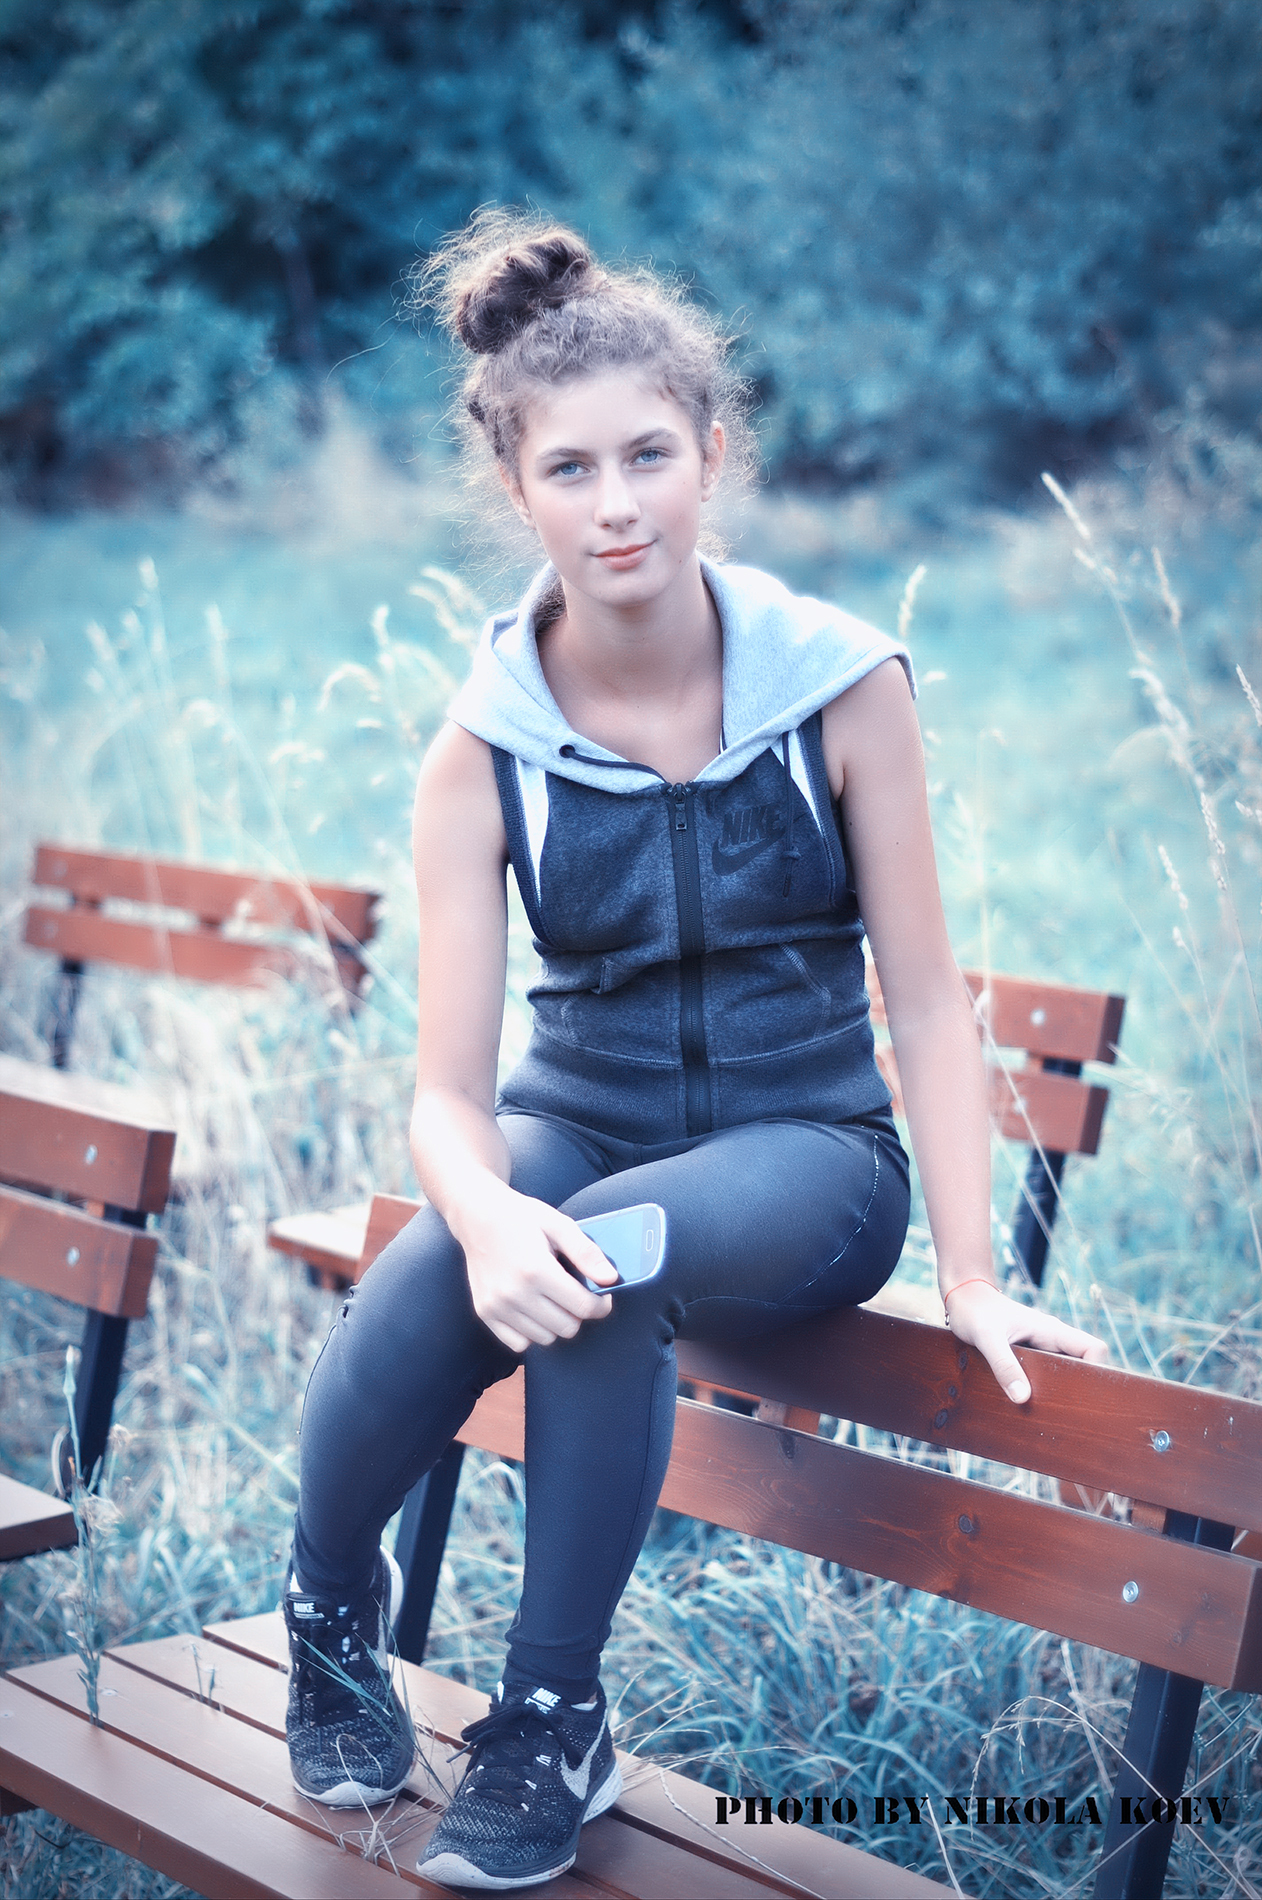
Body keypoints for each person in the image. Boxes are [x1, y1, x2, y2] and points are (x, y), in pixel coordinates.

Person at [281, 210, 1107, 1891]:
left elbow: (925, 997)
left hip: (807, 1157)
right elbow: (448, 1098)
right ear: (515, 488)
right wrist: (487, 1214)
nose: (617, 504)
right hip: (571, 1121)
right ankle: (325, 1610)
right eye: (571, 468)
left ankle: (550, 1714)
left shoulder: (839, 689)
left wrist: (968, 1274)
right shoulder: (480, 754)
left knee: (605, 1252)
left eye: (648, 455)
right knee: (449, 1256)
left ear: (711, 453)